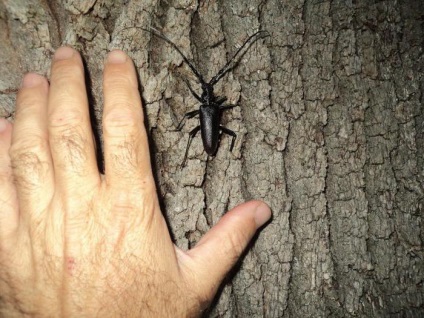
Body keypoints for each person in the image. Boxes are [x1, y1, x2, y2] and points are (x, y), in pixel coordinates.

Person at [0, 47, 271, 317]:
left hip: (208, 132)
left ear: (203, 97)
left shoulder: (204, 108)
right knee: (201, 133)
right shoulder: (211, 108)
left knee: (196, 133)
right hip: (210, 132)